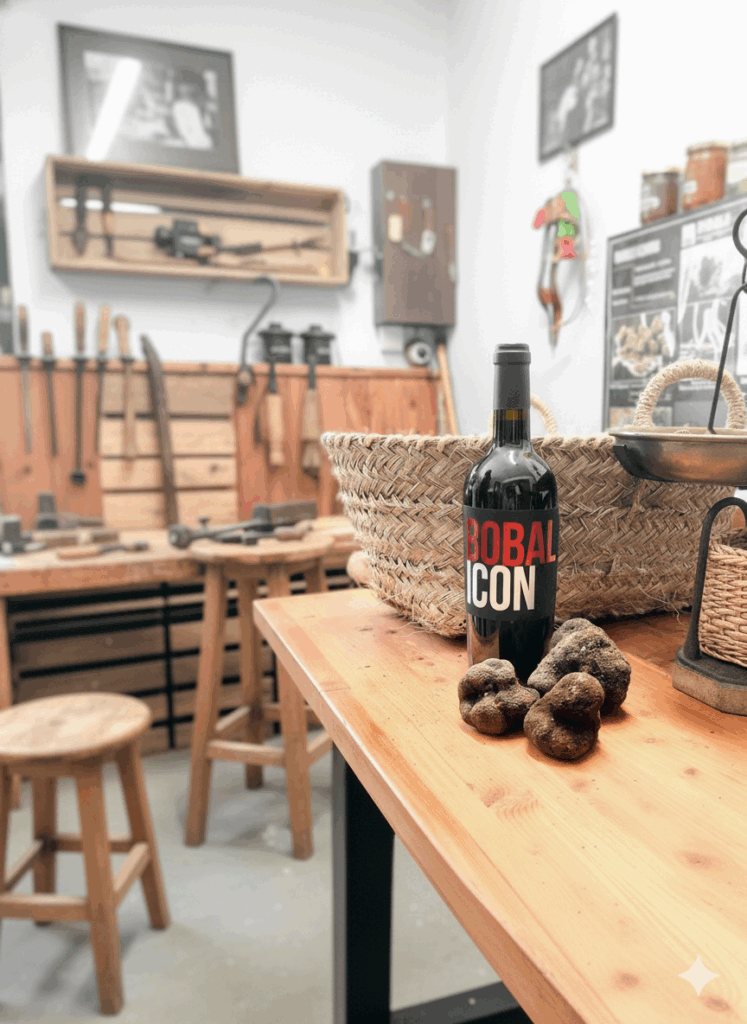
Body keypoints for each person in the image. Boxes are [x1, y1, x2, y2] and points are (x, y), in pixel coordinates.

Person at [169, 69, 214, 150]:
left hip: (205, 143)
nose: (185, 89)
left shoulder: (198, 105)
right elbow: (184, 131)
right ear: (178, 87)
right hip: (192, 144)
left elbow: (207, 126)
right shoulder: (178, 106)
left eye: (189, 85)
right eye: (182, 85)